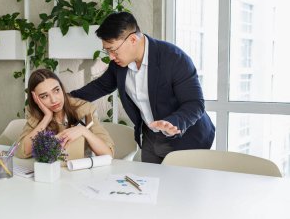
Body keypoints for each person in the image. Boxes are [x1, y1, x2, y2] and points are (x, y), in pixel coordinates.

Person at [70, 12, 215, 164]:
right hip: (151, 139)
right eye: (107, 51)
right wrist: (65, 99)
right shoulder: (119, 65)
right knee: (149, 184)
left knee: (180, 187)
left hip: (187, 139)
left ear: (133, 39)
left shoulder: (174, 59)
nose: (111, 57)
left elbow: (195, 103)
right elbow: (100, 87)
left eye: (113, 50)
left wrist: (173, 122)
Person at [16, 69, 114, 159]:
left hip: (81, 172)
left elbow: (108, 154)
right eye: (44, 96)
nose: (54, 100)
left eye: (56, 90)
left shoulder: (84, 109)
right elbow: (21, 151)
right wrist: (46, 118)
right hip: (51, 173)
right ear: (36, 99)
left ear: (62, 89)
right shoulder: (36, 114)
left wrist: (83, 131)